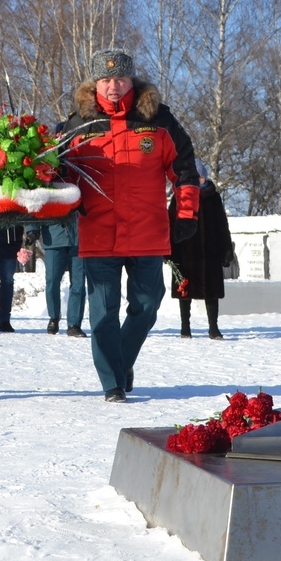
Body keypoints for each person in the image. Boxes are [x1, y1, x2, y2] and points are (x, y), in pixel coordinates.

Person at [60, 49, 199, 402]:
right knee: (103, 311)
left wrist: (186, 214)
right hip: (98, 232)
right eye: (105, 80)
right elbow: (61, 178)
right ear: (95, 84)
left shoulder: (159, 120)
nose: (113, 86)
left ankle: (121, 360)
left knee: (148, 304)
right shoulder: (77, 125)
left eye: (120, 79)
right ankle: (113, 383)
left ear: (131, 81)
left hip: (147, 231)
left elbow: (184, 169)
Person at [169, 160, 233, 340]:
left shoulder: (213, 198)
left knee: (212, 292)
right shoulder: (180, 196)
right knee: (185, 291)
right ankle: (185, 328)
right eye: (194, 177)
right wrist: (169, 252)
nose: (198, 180)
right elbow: (170, 224)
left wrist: (226, 251)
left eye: (201, 176)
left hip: (210, 252)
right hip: (185, 252)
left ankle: (213, 327)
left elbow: (222, 225)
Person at [37, 215, 86, 337]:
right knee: (52, 280)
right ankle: (54, 316)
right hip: (54, 236)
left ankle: (74, 324)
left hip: (79, 237)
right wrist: (31, 229)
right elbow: (35, 202)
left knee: (78, 282)